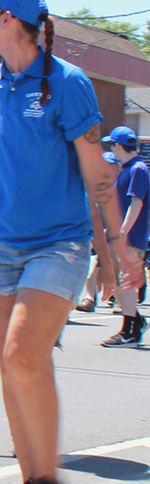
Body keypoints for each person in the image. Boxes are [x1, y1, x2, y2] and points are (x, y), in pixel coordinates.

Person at [0, 0, 141, 484]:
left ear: (9, 18)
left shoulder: (67, 84)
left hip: (59, 241)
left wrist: (117, 247)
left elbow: (95, 170)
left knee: (26, 353)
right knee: (10, 365)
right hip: (0, 244)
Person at [100, 127, 146, 346]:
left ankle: (130, 331)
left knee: (126, 284)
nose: (112, 149)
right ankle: (136, 323)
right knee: (120, 283)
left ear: (118, 146)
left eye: (112, 145)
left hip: (131, 238)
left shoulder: (138, 169)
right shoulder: (127, 169)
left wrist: (123, 231)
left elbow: (136, 203)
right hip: (122, 236)